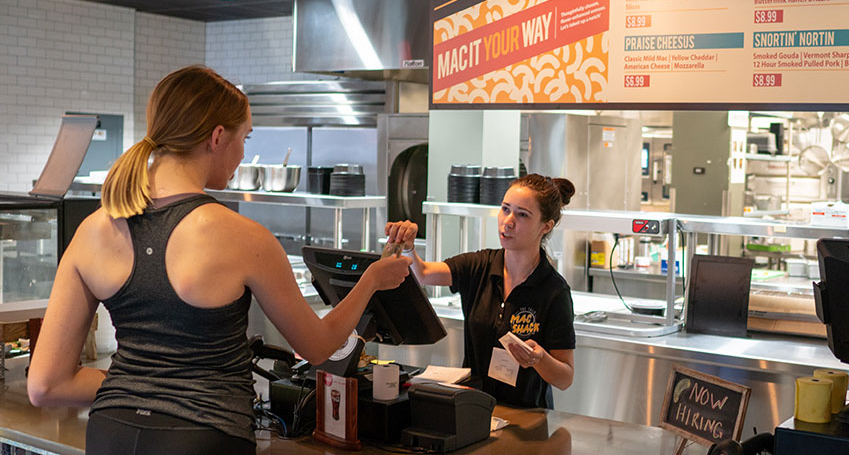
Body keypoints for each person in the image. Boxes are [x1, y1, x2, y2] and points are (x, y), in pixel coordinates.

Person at [27, 65, 411, 455]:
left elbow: (45, 385)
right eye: (245, 137)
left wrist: (137, 387)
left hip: (111, 434)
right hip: (203, 438)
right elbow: (318, 347)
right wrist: (372, 281)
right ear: (216, 137)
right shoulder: (242, 237)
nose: (243, 152)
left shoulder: (94, 230)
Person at [385, 174, 576, 409]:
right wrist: (408, 247)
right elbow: (423, 272)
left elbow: (565, 378)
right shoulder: (480, 266)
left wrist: (539, 359)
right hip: (474, 409)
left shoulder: (554, 291)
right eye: (505, 209)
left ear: (546, 226)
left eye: (522, 214)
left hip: (528, 417)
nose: (508, 221)